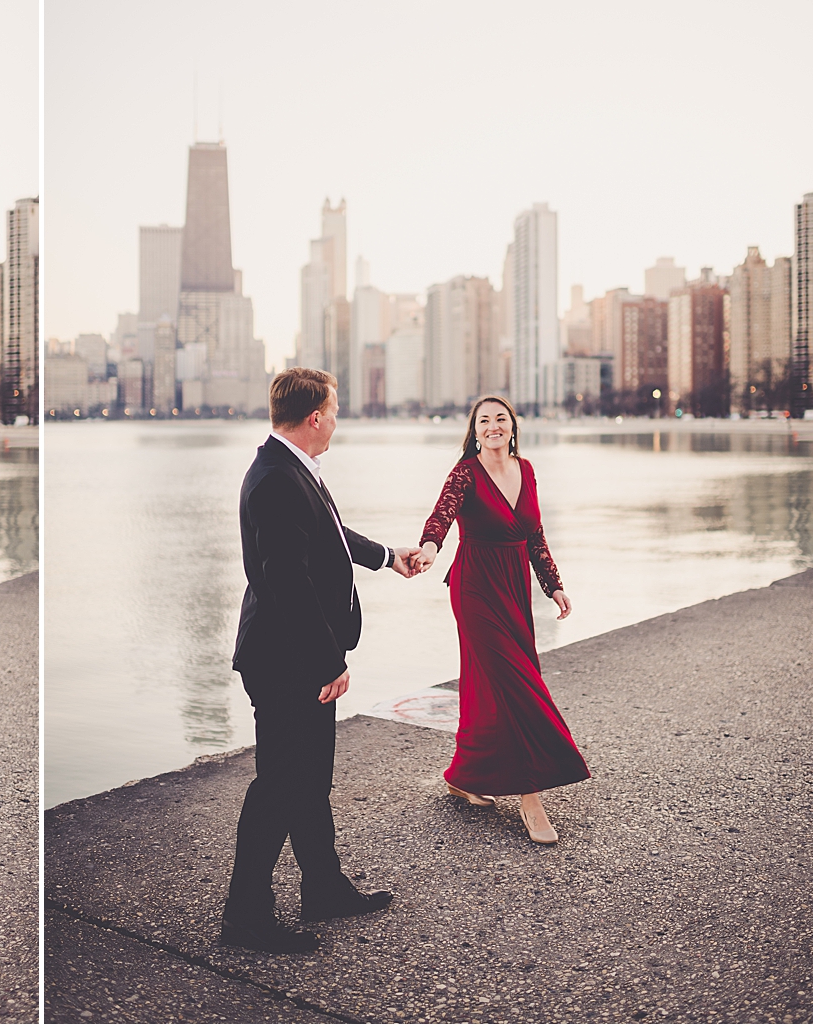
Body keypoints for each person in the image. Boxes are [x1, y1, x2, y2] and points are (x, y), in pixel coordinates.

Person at [220, 368, 421, 954]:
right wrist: (328, 661)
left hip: (293, 654)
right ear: (315, 418)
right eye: (334, 411)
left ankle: (324, 889)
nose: (336, 420)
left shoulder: (289, 467)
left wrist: (388, 556)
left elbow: (329, 536)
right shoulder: (277, 480)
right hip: (286, 660)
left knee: (310, 781)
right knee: (279, 785)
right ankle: (246, 916)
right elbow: (288, 584)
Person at [414, 395, 589, 845]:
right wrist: (430, 548)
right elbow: (441, 517)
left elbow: (535, 534)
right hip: (474, 589)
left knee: (486, 685)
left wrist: (554, 585)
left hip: (514, 590)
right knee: (513, 685)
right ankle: (531, 801)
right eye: (484, 420)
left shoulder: (526, 470)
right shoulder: (465, 473)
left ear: (513, 426)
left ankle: (464, 775)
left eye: (501, 419)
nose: (493, 426)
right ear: (474, 430)